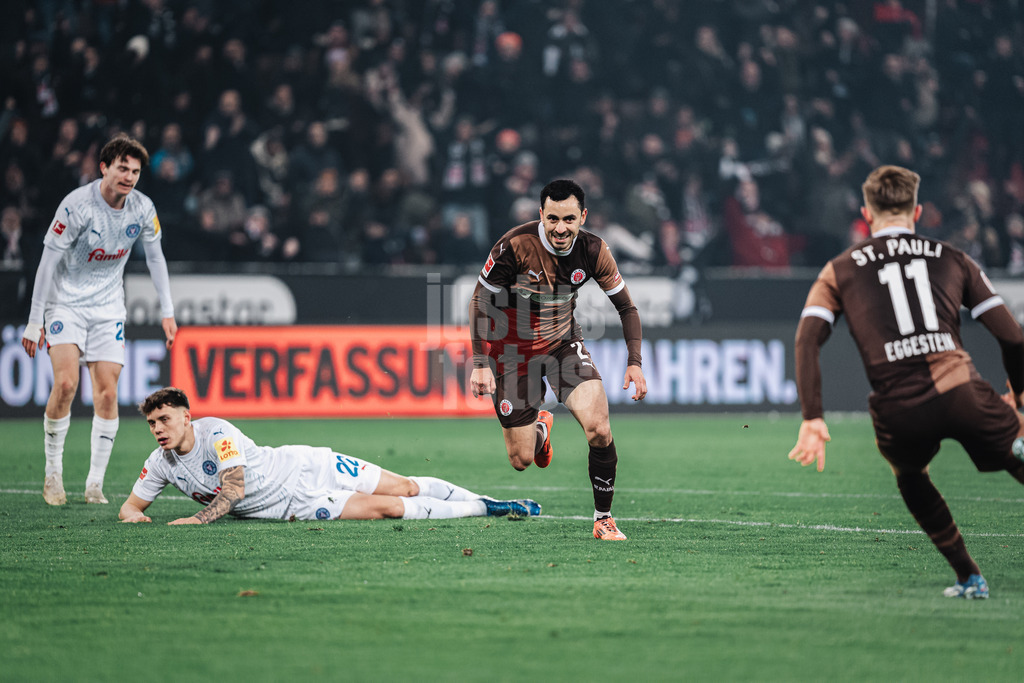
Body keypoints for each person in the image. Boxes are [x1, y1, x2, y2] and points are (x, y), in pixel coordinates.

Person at [788, 165, 1024, 599]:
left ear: (866, 212)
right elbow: (1012, 336)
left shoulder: (839, 269)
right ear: (917, 211)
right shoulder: (954, 258)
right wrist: (1021, 395)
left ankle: (970, 576)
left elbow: (807, 339)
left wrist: (812, 417)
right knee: (1019, 452)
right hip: (962, 393)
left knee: (910, 473)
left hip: (900, 410)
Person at [468, 179, 647, 541]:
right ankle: (540, 427)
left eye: (569, 219)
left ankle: (603, 518)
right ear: (541, 215)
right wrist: (480, 361)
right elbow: (479, 302)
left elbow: (626, 306)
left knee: (599, 429)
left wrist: (635, 360)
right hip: (512, 352)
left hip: (562, 345)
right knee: (521, 460)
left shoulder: (594, 250)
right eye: (552, 219)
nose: (560, 228)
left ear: (582, 216)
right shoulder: (514, 246)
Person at [21, 134, 177, 507]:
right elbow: (47, 263)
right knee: (66, 385)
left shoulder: (142, 208)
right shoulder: (77, 206)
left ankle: (94, 484)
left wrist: (167, 311)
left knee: (107, 393)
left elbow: (155, 258)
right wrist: (34, 320)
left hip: (108, 308)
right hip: (65, 304)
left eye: (135, 171)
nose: (129, 176)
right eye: (122, 168)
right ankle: (53, 476)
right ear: (104, 167)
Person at [119, 387, 540, 524]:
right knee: (390, 508)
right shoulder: (161, 464)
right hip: (294, 505)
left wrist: (197, 519)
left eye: (165, 420)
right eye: (152, 423)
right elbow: (130, 508)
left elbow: (235, 487)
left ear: (186, 417)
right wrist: (134, 515)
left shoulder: (216, 433)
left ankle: (484, 498)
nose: (158, 429)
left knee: (406, 485)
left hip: (306, 464)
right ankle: (486, 509)